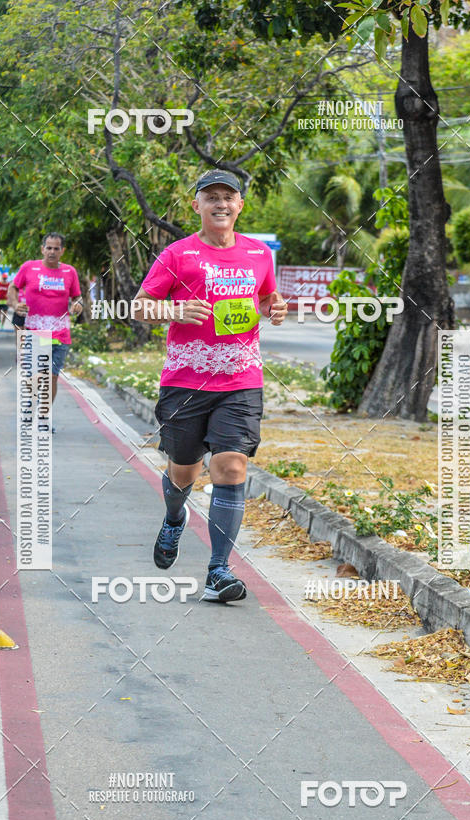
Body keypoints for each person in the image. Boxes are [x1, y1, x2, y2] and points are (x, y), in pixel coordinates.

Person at [134, 169, 287, 602]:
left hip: (241, 379)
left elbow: (265, 300)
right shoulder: (178, 255)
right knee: (184, 471)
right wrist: (175, 312)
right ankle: (174, 516)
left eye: (228, 197)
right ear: (197, 206)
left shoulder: (259, 254)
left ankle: (218, 569)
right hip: (185, 382)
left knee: (231, 467)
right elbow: (141, 307)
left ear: (240, 205)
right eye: (211, 197)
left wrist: (273, 308)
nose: (221, 204)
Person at [8, 233, 83, 427]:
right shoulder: (29, 268)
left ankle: (43, 417)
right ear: (42, 249)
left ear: (62, 251)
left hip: (60, 333)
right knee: (36, 376)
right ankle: (28, 407)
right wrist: (15, 304)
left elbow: (77, 297)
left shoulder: (69, 272)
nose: (52, 252)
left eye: (56, 248)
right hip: (35, 331)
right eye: (48, 248)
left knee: (52, 377)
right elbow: (13, 288)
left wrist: (78, 305)